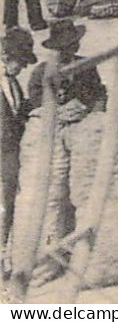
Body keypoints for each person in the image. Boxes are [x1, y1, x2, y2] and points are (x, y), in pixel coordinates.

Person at [17, 21, 118, 288]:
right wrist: (60, 112)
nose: (68, 51)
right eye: (64, 48)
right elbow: (37, 105)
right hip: (54, 133)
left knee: (87, 186)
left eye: (71, 47)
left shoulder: (86, 67)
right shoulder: (41, 73)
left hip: (80, 132)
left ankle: (99, 258)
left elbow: (99, 96)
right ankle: (44, 262)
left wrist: (85, 108)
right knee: (49, 193)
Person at [2, 28, 35, 249]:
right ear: (5, 55)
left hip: (10, 152)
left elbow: (18, 109)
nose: (22, 67)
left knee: (9, 203)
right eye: (20, 61)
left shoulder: (12, 82)